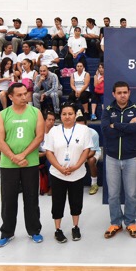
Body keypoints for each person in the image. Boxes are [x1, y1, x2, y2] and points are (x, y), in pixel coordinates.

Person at [0, 83, 45, 247]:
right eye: (19, 95)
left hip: (30, 162)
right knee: (8, 199)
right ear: (10, 97)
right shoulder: (3, 114)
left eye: (25, 93)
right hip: (8, 164)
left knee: (31, 198)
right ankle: (7, 232)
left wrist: (22, 155)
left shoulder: (35, 112)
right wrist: (13, 157)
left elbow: (39, 137)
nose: (24, 97)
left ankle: (34, 230)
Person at [41, 103, 90, 244]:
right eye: (64, 114)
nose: (67, 117)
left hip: (77, 173)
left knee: (76, 201)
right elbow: (49, 152)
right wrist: (60, 168)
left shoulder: (83, 130)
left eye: (70, 114)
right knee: (58, 202)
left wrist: (76, 166)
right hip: (58, 173)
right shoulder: (54, 131)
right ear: (60, 116)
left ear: (75, 115)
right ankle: (58, 229)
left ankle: (75, 227)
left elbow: (86, 150)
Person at [100, 81, 136, 239]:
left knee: (131, 194)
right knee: (113, 194)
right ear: (114, 94)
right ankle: (116, 222)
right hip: (112, 158)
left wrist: (115, 125)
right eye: (119, 93)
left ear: (129, 93)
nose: (122, 95)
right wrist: (126, 126)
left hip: (131, 158)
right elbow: (106, 132)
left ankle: (130, 222)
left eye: (125, 92)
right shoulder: (108, 110)